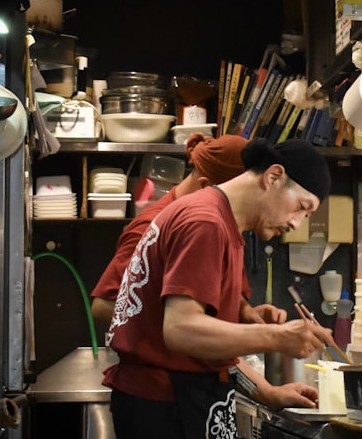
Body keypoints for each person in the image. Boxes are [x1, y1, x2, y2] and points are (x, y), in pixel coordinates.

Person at [103, 138, 335, 439]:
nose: (298, 223)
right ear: (274, 177)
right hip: (166, 414)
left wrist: (268, 393)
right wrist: (277, 338)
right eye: (302, 207)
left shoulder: (220, 221)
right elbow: (182, 332)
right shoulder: (205, 222)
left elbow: (207, 345)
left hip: (179, 407)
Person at [90, 133, 284, 328]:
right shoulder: (152, 227)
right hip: (167, 358)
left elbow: (221, 289)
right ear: (206, 187)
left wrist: (244, 312)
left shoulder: (226, 224)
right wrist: (181, 329)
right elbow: (104, 306)